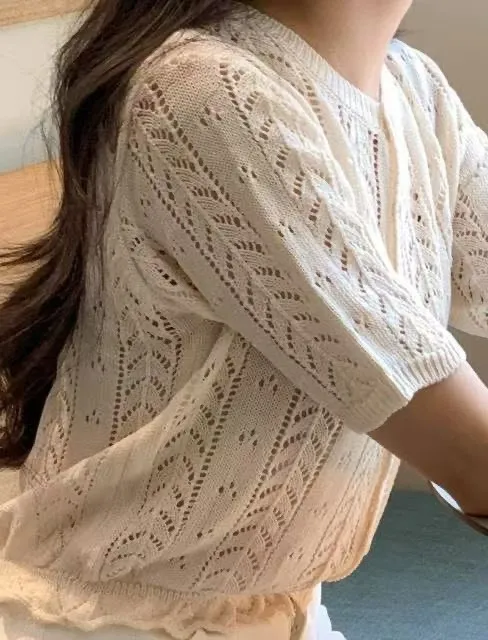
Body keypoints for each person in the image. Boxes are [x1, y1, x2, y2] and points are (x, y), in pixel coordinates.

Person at [1, 0, 488, 637]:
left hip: (275, 613)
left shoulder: (415, 90)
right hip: (106, 621)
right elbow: (469, 454)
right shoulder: (205, 94)